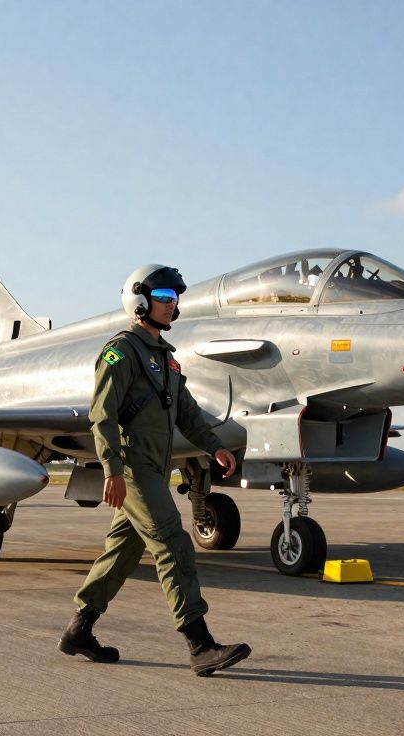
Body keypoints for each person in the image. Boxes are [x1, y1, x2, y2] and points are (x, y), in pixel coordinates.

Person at [59, 264, 251, 677]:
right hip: (132, 468)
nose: (172, 304)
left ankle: (79, 630)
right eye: (164, 297)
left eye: (175, 298)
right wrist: (110, 469)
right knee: (173, 543)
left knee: (121, 553)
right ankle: (200, 646)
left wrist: (215, 446)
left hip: (155, 468)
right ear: (141, 300)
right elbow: (102, 416)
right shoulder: (121, 352)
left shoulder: (166, 359)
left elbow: (187, 412)